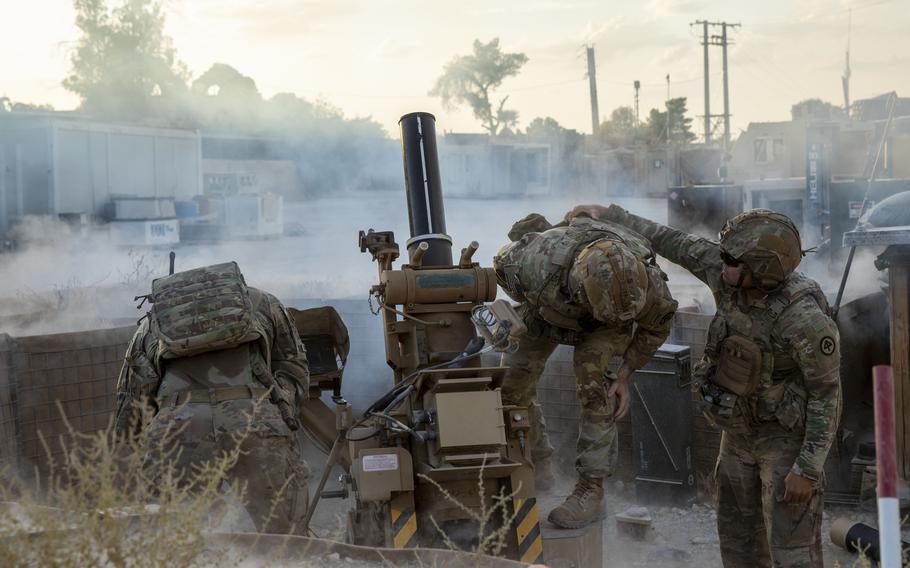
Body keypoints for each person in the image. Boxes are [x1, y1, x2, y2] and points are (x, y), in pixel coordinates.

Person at [566, 205, 841, 567]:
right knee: (738, 540)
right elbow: (672, 241)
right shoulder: (727, 275)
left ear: (759, 269)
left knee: (792, 551)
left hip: (785, 440)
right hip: (738, 435)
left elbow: (827, 395)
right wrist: (610, 214)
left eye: (730, 258)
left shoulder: (804, 319)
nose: (720, 260)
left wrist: (807, 469)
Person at [494, 213, 678, 529]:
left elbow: (656, 328)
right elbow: (502, 280)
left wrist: (624, 374)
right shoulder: (533, 261)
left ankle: (591, 490)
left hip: (604, 325)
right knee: (510, 386)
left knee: (596, 388)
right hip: (548, 306)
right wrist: (509, 323)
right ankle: (536, 460)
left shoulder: (650, 288)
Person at [115, 261, 310, 535]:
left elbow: (133, 395)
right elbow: (294, 368)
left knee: (174, 539)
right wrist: (279, 411)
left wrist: (130, 444)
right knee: (286, 537)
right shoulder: (264, 303)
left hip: (177, 430)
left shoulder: (155, 321)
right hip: (254, 421)